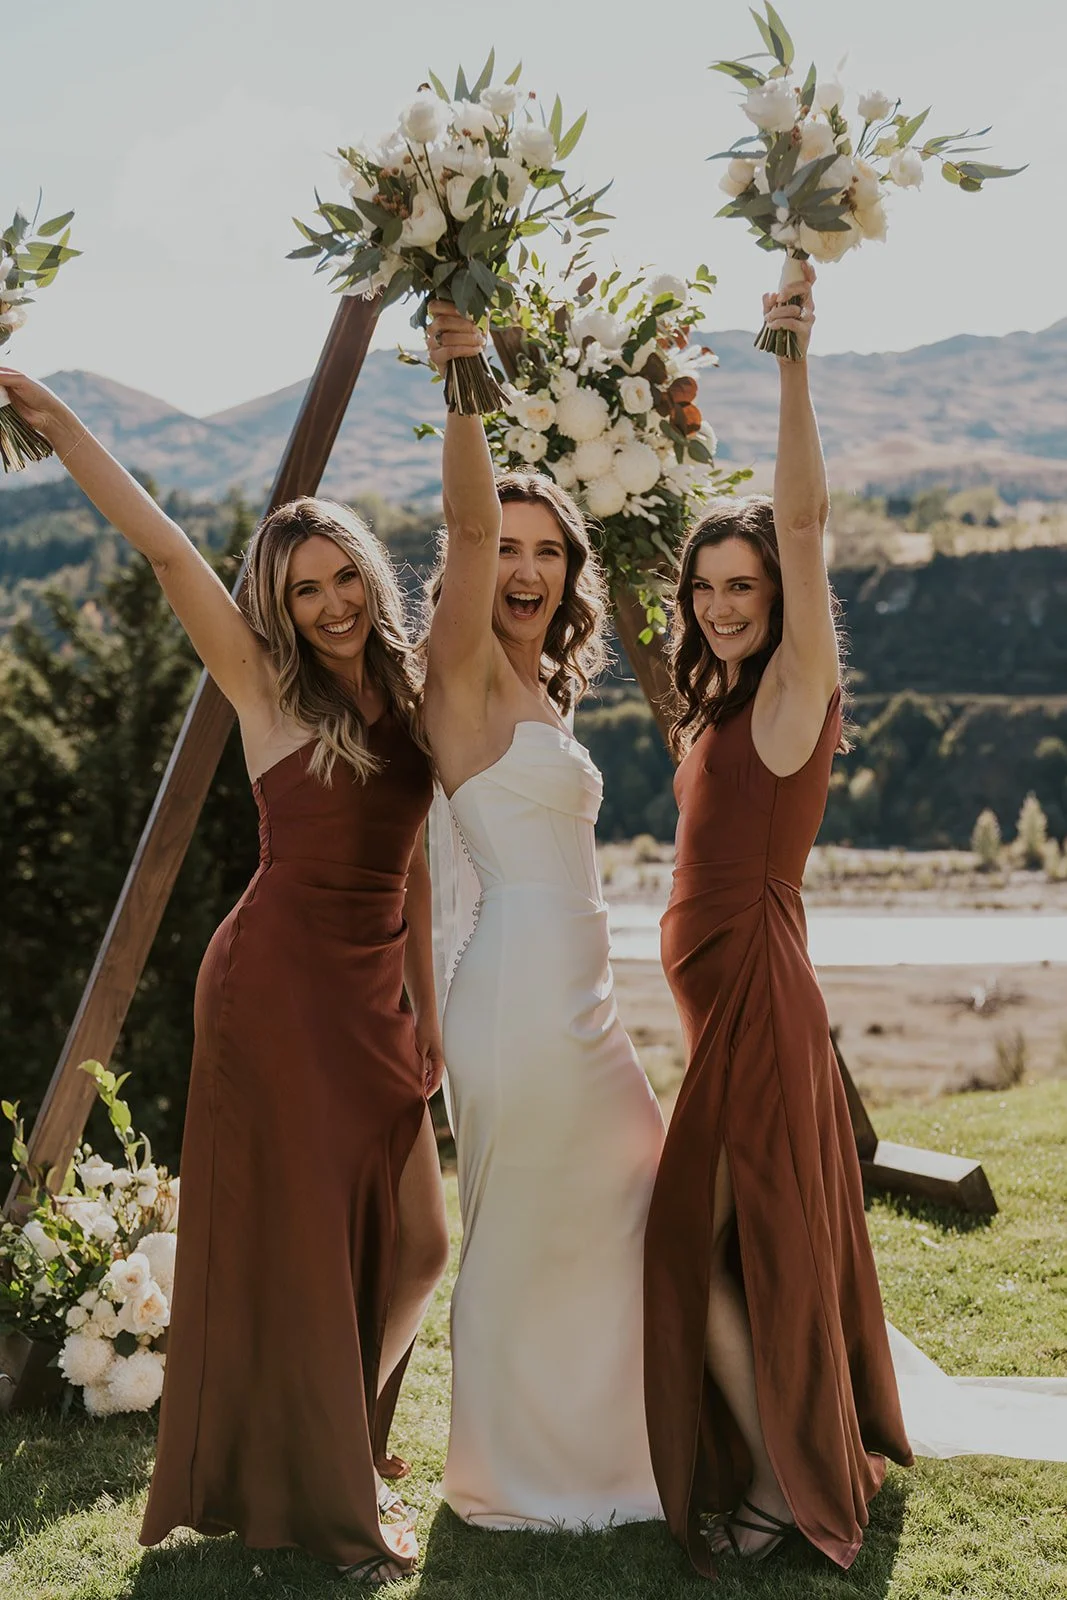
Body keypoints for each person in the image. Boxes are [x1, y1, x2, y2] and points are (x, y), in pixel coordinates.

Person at [0, 370, 449, 1589]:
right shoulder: (263, 686)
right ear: (280, 606)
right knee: (308, 1242)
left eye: (344, 575)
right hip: (275, 983)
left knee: (417, 1241)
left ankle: (329, 1442)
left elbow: (409, 872)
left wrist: (428, 1013)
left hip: (370, 988)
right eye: (304, 591)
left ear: (368, 569)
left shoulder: (411, 694)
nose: (332, 603)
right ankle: (338, 1488)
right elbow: (159, 550)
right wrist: (59, 422)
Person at [642, 267, 914, 1574]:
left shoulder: (795, 693)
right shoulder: (722, 703)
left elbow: (801, 521)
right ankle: (775, 1447)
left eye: (740, 585)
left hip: (755, 996)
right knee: (733, 1246)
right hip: (728, 1006)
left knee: (694, 1248)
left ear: (777, 591)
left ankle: (772, 1481)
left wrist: (789, 356)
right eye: (703, 587)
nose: (718, 604)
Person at [420, 304, 664, 1529]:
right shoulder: (457, 672)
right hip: (515, 992)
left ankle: (621, 1450)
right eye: (505, 551)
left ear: (571, 570)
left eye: (546, 553)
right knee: (525, 1227)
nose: (522, 570)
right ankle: (513, 1480)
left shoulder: (544, 686)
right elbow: (462, 517)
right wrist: (462, 379)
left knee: (630, 1197)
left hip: (585, 989)